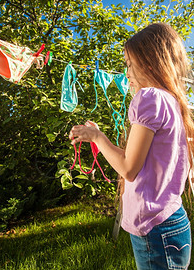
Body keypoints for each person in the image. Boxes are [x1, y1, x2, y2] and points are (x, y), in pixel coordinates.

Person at [69, 22, 194, 270]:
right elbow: (142, 160)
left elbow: (128, 168)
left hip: (155, 229)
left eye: (128, 64)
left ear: (148, 63)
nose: (126, 73)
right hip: (171, 222)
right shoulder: (171, 100)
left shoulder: (149, 97)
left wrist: (96, 137)